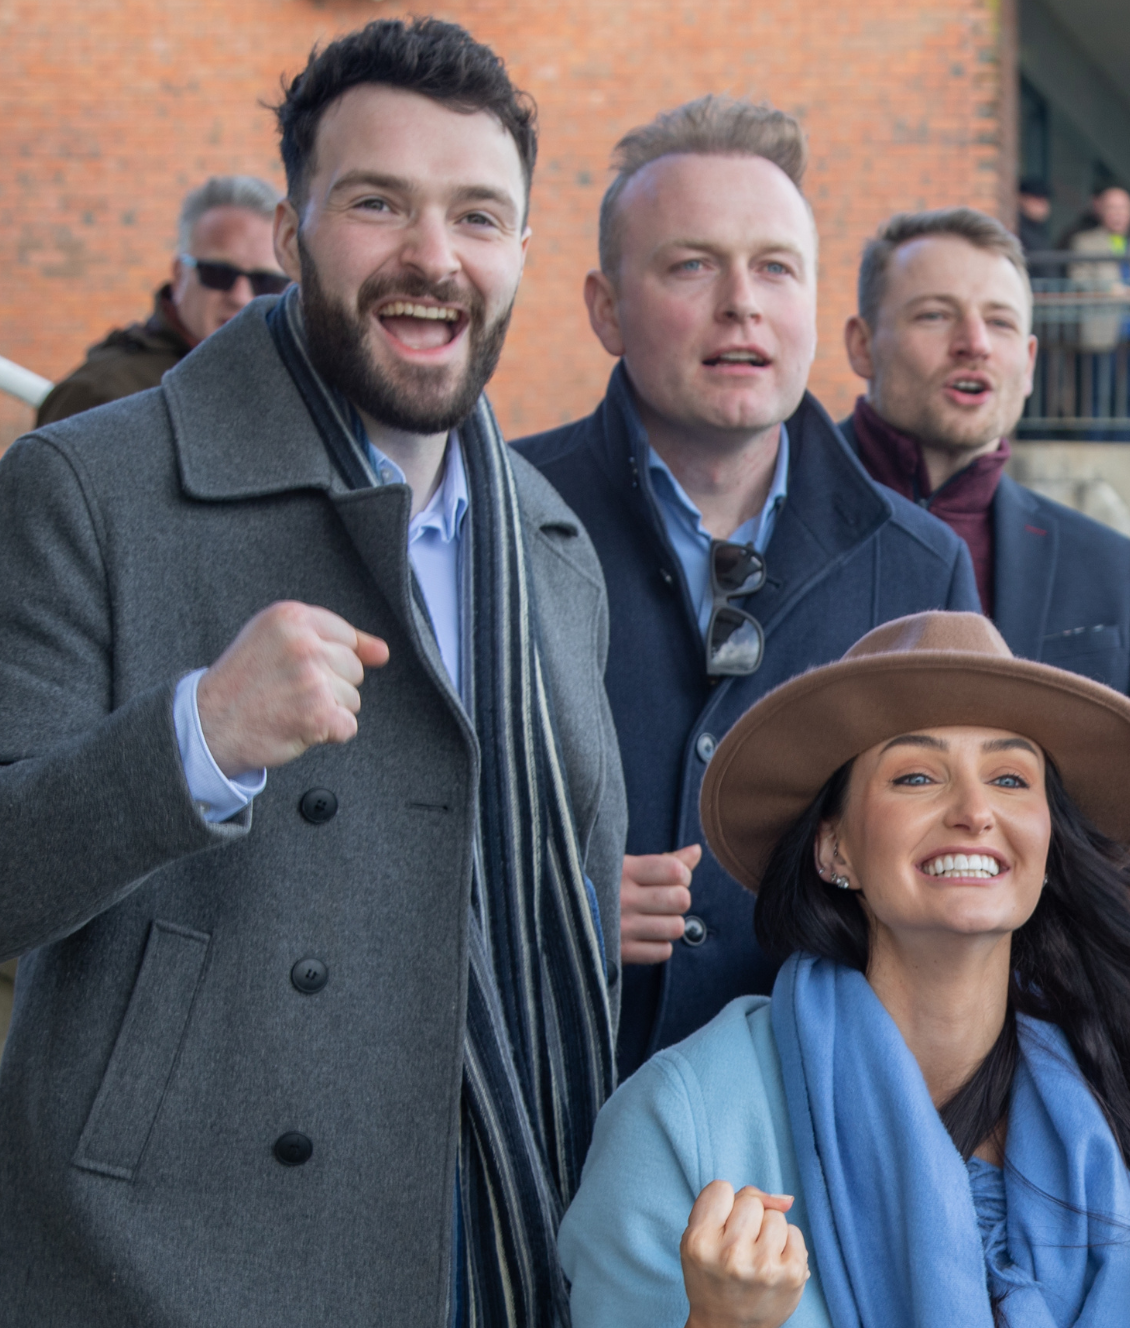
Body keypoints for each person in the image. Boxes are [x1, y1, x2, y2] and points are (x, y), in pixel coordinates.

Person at [0, 19, 624, 1323]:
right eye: (377, 204)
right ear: (291, 235)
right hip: (169, 1257)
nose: (431, 257)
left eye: (476, 215)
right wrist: (196, 738)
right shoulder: (87, 486)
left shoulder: (552, 546)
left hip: (483, 1234)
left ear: (520, 249)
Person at [558, 611, 1130, 1326]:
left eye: (1012, 779)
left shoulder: (1122, 1099)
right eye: (917, 777)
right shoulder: (683, 1119)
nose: (975, 812)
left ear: (1046, 849)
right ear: (835, 849)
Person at [516, 97, 979, 1076]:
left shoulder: (921, 565)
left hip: (806, 1141)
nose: (742, 302)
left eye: (775, 266)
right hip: (541, 1125)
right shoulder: (499, 521)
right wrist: (546, 905)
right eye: (691, 264)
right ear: (606, 308)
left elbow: (966, 856)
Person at [841, 207, 1130, 696]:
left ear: (1029, 362)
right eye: (935, 315)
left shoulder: (1108, 566)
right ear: (863, 346)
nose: (974, 344)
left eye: (1000, 322)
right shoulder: (763, 515)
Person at [36, 174, 286, 425]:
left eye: (265, 281)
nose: (241, 297)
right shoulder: (99, 394)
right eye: (218, 273)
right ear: (179, 275)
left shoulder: (293, 389)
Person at [1064, 185, 1130, 434]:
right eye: (1112, 208)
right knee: (1098, 394)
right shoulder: (1085, 242)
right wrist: (1108, 289)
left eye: (1123, 208)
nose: (1118, 214)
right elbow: (1078, 280)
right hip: (1101, 332)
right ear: (1101, 211)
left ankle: (1125, 445)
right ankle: (1096, 447)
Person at [1015, 176, 1054, 258]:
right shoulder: (1017, 227)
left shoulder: (1039, 230)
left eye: (1045, 199)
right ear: (1021, 199)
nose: (1042, 204)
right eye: (1037, 198)